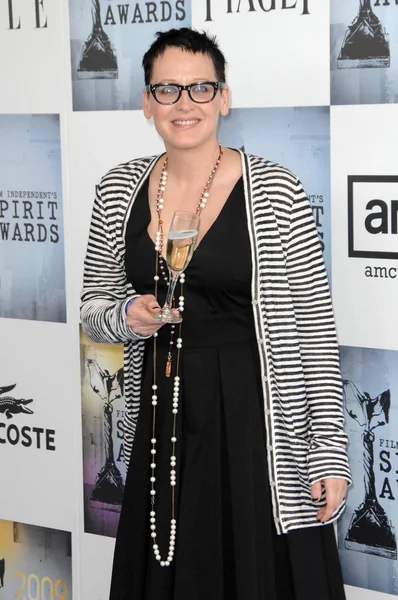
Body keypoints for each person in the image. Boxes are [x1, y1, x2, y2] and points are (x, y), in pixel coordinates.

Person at [80, 27, 351, 600]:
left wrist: (327, 452)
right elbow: (91, 308)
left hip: (256, 422)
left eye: (202, 88)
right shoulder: (117, 189)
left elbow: (313, 329)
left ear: (224, 98)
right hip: (160, 417)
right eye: (168, 89)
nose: (186, 104)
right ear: (146, 102)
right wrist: (127, 316)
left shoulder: (277, 188)